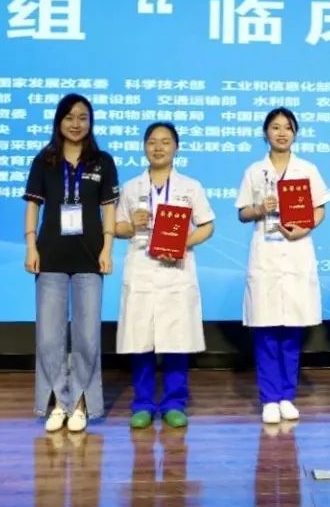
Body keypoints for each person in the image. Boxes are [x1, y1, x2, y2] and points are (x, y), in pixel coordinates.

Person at [23, 93, 119, 433]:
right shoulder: (45, 159)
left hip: (90, 258)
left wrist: (107, 249)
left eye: (83, 117)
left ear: (90, 122)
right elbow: (33, 206)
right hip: (50, 256)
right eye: (69, 117)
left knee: (87, 338)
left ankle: (79, 404)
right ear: (59, 121)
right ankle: (58, 403)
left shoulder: (102, 162)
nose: (76, 124)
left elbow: (109, 209)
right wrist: (30, 246)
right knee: (49, 339)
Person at [115, 122, 215, 429]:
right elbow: (116, 227)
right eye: (152, 142)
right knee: (141, 341)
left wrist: (184, 243)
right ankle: (143, 404)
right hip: (142, 268)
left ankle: (174, 402)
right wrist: (132, 225)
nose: (158, 148)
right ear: (144, 147)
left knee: (176, 340)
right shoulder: (131, 187)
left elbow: (207, 225)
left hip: (176, 271)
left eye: (165, 142)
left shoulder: (190, 186)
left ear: (176, 148)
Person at [234, 107, 330, 424]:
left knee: (291, 331)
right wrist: (259, 209)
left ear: (295, 133)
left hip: (297, 251)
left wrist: (306, 227)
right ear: (266, 133)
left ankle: (287, 396)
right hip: (265, 254)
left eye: (287, 127)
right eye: (275, 127)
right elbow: (242, 213)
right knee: (265, 330)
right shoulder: (254, 171)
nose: (281, 133)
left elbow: (320, 209)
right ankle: (269, 398)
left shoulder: (307, 169)